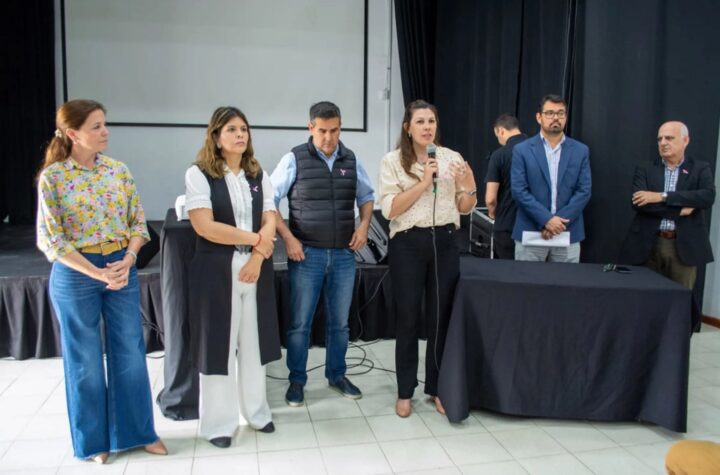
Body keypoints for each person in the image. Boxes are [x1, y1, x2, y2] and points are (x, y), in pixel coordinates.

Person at [36, 99, 167, 463]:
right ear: (72, 133)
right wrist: (96, 272)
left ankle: (139, 433)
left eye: (104, 124)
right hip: (76, 273)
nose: (105, 131)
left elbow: (138, 224)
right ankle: (94, 443)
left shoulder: (117, 171)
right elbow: (52, 240)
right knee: (85, 361)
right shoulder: (53, 178)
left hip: (121, 266)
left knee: (130, 353)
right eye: (96, 126)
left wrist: (128, 259)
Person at [185, 106, 281, 448]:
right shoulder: (199, 174)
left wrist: (256, 256)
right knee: (219, 347)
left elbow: (270, 218)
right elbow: (205, 227)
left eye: (243, 129)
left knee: (254, 344)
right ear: (216, 136)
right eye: (231, 129)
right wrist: (256, 240)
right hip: (216, 270)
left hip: (255, 266)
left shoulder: (258, 174)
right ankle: (218, 425)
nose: (240, 134)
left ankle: (256, 413)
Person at [271, 101, 375, 407]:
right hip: (306, 255)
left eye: (335, 130)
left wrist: (364, 225)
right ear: (310, 128)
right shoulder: (294, 159)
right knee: (300, 324)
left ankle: (337, 375)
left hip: (343, 255)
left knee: (340, 324)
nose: (329, 137)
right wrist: (288, 238)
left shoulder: (351, 159)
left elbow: (367, 196)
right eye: (322, 131)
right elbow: (269, 201)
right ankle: (297, 381)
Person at [378, 99, 477, 418]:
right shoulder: (393, 161)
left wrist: (469, 188)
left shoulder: (451, 158)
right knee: (408, 318)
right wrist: (423, 183)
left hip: (445, 242)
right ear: (408, 128)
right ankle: (405, 391)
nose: (427, 127)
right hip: (408, 243)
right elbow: (390, 209)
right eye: (420, 122)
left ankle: (437, 387)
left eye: (431, 121)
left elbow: (464, 207)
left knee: (440, 317)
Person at [620, 121, 715, 290]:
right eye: (660, 139)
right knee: (644, 296)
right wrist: (679, 210)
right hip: (649, 244)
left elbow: (707, 197)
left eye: (669, 138)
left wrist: (661, 196)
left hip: (683, 247)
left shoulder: (700, 169)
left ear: (685, 140)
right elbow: (639, 204)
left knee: (679, 297)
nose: (663, 143)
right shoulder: (646, 168)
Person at [511, 94, 591, 262]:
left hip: (567, 232)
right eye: (549, 113)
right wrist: (546, 220)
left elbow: (584, 191)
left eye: (560, 113)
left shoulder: (580, 150)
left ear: (566, 117)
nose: (556, 117)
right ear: (538, 117)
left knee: (567, 280)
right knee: (528, 279)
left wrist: (557, 224)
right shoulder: (522, 150)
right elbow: (519, 191)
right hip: (531, 232)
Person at [484, 113, 528, 259]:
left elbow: (490, 199)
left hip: (507, 225)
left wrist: (493, 213)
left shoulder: (499, 155)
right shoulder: (537, 150)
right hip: (533, 226)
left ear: (500, 131)